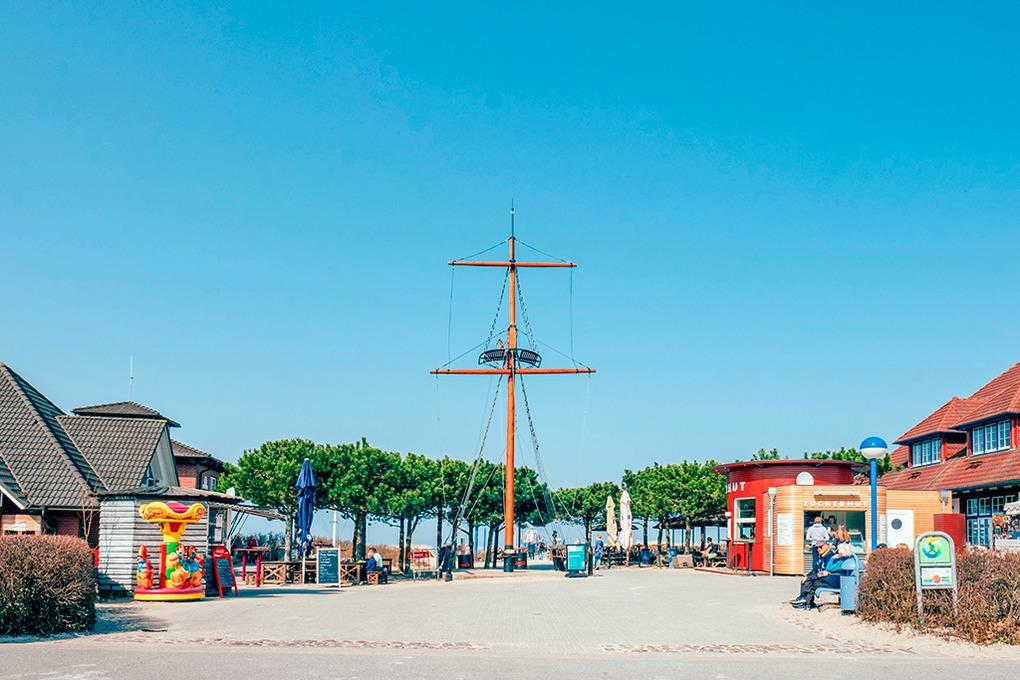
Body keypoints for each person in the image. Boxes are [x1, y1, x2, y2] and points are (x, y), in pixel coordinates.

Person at [790, 542, 853, 609]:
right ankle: (806, 601)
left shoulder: (841, 560)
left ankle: (806, 602)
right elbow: (818, 569)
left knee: (812, 583)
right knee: (809, 580)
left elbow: (828, 569)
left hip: (835, 581)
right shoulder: (839, 559)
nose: (818, 549)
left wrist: (832, 559)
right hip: (832, 579)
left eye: (820, 547)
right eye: (817, 548)